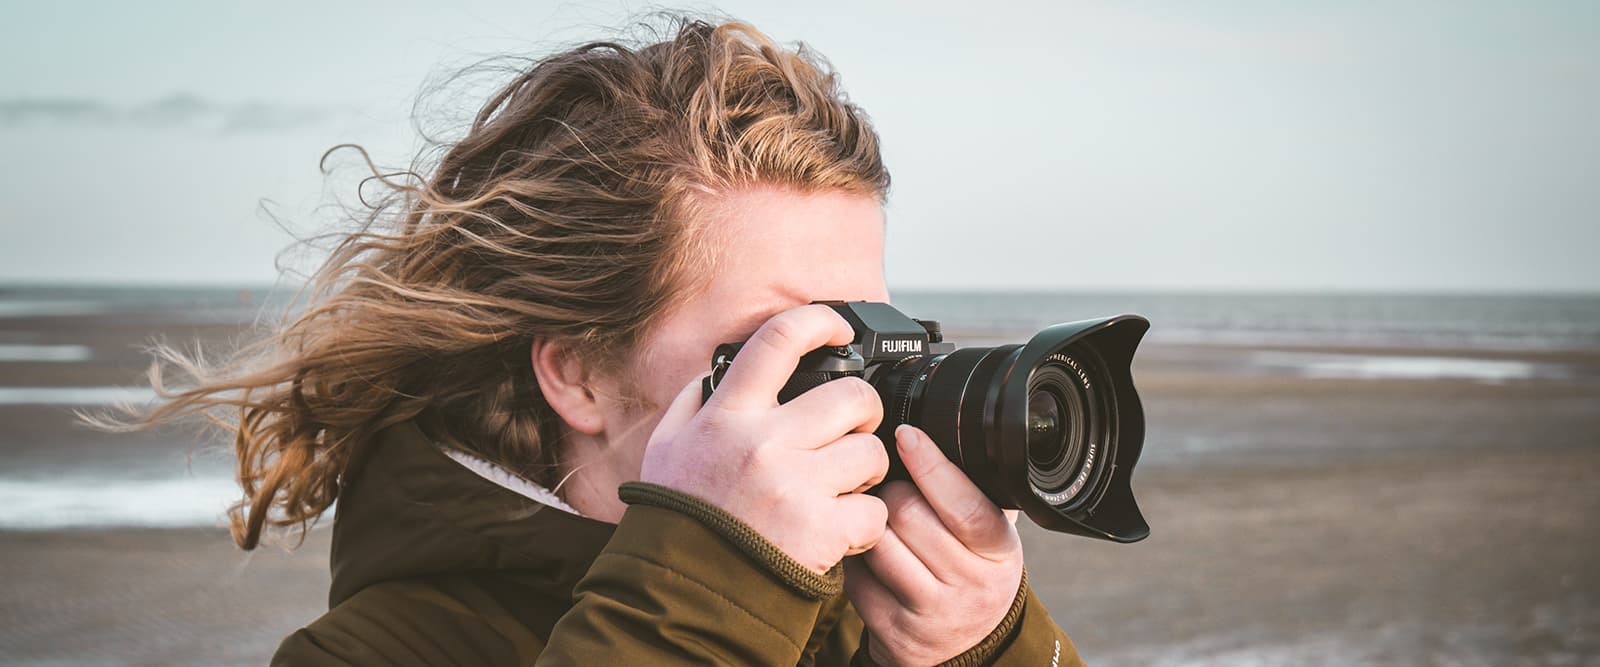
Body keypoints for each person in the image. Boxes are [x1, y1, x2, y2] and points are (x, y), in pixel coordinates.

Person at [122, 17, 1087, 666]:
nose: (855, 396)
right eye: (782, 342)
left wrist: (985, 644)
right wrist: (717, 581)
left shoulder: (854, 620)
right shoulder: (371, 650)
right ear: (577, 370)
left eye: (873, 333)